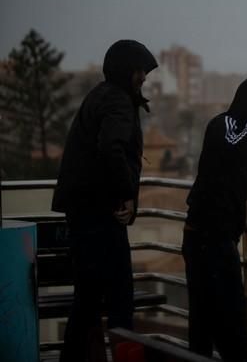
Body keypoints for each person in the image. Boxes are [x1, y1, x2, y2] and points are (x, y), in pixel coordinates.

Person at [51, 40, 157, 362]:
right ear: (128, 70)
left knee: (86, 302)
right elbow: (110, 147)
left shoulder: (99, 95)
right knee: (120, 303)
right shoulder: (118, 101)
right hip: (100, 217)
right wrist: (126, 194)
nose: (144, 78)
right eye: (140, 71)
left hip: (85, 214)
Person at [183, 76, 247, 362]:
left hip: (222, 237)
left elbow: (240, 184)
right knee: (227, 322)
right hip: (204, 237)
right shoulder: (222, 125)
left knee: (210, 321)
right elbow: (235, 152)